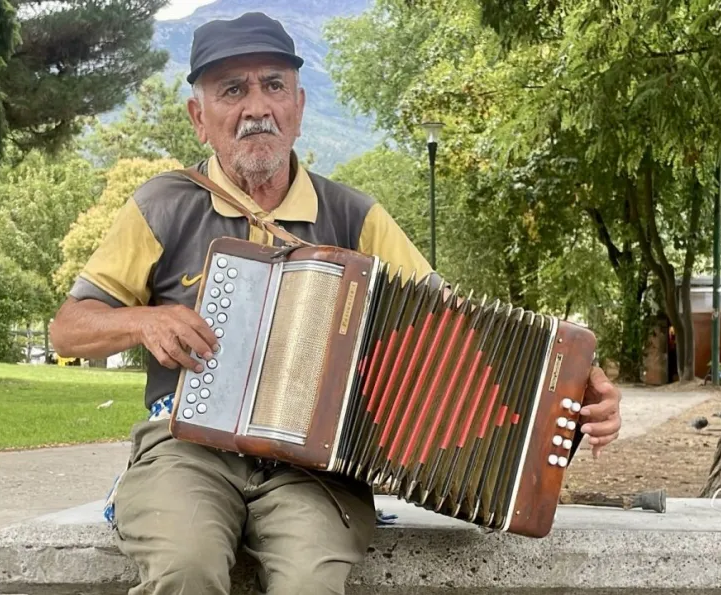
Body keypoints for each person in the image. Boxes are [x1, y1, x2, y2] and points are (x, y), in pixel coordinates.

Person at [49, 11, 623, 594]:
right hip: (185, 450)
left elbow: (463, 330)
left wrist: (575, 386)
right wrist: (146, 320)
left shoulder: (355, 215)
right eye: (232, 89)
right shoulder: (162, 205)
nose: (257, 107)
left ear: (297, 107)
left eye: (274, 85)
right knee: (185, 566)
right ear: (200, 117)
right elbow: (67, 330)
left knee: (310, 582)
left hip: (316, 472)